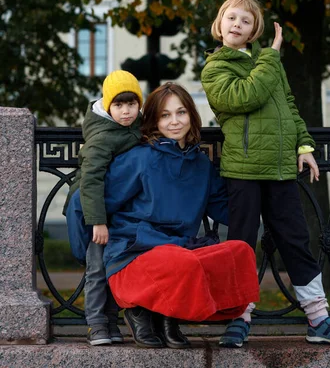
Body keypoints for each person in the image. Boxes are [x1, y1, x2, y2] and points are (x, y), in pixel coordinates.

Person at [200, 0, 330, 348]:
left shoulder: (268, 63)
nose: (237, 24)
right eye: (231, 17)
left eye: (245, 20)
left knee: (296, 241)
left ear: (253, 29)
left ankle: (318, 317)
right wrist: (272, 55)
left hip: (280, 169)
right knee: (241, 244)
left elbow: (288, 104)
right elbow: (244, 97)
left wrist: (304, 146)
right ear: (220, 22)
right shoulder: (215, 67)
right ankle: (239, 316)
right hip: (243, 170)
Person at [67, 82, 260, 349]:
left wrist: (262, 190)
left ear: (191, 115)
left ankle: (170, 317)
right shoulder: (140, 158)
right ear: (154, 121)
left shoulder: (201, 165)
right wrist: (83, 250)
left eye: (181, 113)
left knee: (238, 250)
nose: (175, 122)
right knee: (179, 260)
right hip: (133, 253)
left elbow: (227, 209)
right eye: (165, 115)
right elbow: (83, 199)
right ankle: (139, 310)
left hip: (178, 250)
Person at [65, 69, 143, 346]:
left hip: (119, 209)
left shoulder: (136, 127)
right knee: (97, 266)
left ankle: (111, 321)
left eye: (131, 104)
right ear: (108, 106)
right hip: (94, 212)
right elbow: (90, 182)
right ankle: (96, 324)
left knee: (115, 265)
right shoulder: (102, 137)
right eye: (119, 105)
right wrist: (97, 221)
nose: (126, 111)